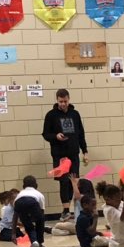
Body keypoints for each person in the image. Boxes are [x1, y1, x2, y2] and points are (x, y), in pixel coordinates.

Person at [42, 89, 88, 220]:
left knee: (74, 181)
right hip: (59, 154)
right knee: (63, 182)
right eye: (60, 101)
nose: (63, 104)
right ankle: (66, 210)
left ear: (69, 99)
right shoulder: (51, 115)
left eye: (65, 101)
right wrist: (55, 136)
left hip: (73, 153)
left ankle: (77, 209)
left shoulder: (75, 114)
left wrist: (85, 151)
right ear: (57, 100)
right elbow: (45, 134)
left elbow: (81, 134)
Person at [12, 175, 47, 247]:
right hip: (32, 202)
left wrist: (13, 233)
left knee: (28, 226)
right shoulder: (39, 194)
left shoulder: (19, 195)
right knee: (40, 221)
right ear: (36, 185)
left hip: (19, 203)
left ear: (23, 186)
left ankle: (34, 242)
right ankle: (39, 244)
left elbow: (15, 216)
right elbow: (41, 213)